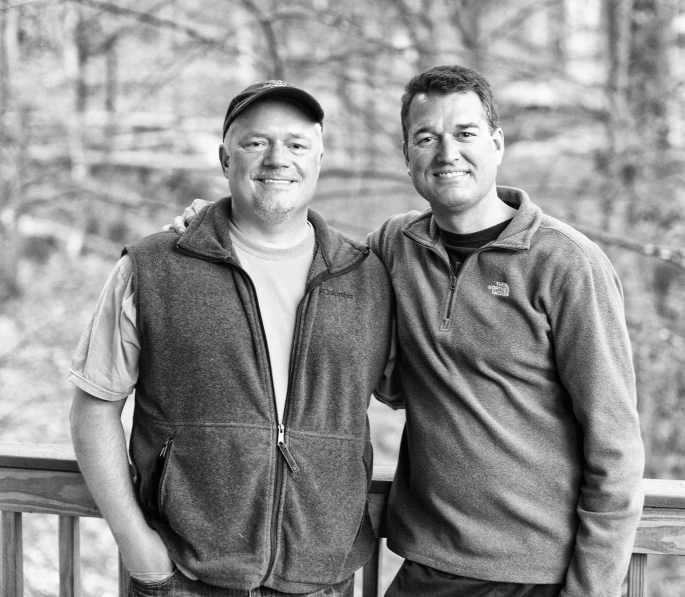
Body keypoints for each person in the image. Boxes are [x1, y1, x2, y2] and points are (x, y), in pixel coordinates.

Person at [174, 66, 645, 597]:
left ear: (496, 143)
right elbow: (304, 250)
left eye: (465, 134)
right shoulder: (395, 246)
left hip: (534, 573)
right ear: (407, 156)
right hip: (425, 561)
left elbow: (616, 448)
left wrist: (592, 589)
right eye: (427, 138)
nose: (447, 154)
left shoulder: (567, 264)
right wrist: (216, 224)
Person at [68, 80, 394, 597]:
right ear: (225, 158)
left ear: (320, 158)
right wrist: (136, 545)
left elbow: (428, 389)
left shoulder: (368, 276)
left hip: (322, 581)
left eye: (296, 143)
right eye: (255, 142)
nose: (276, 158)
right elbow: (93, 408)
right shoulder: (153, 268)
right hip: (181, 576)